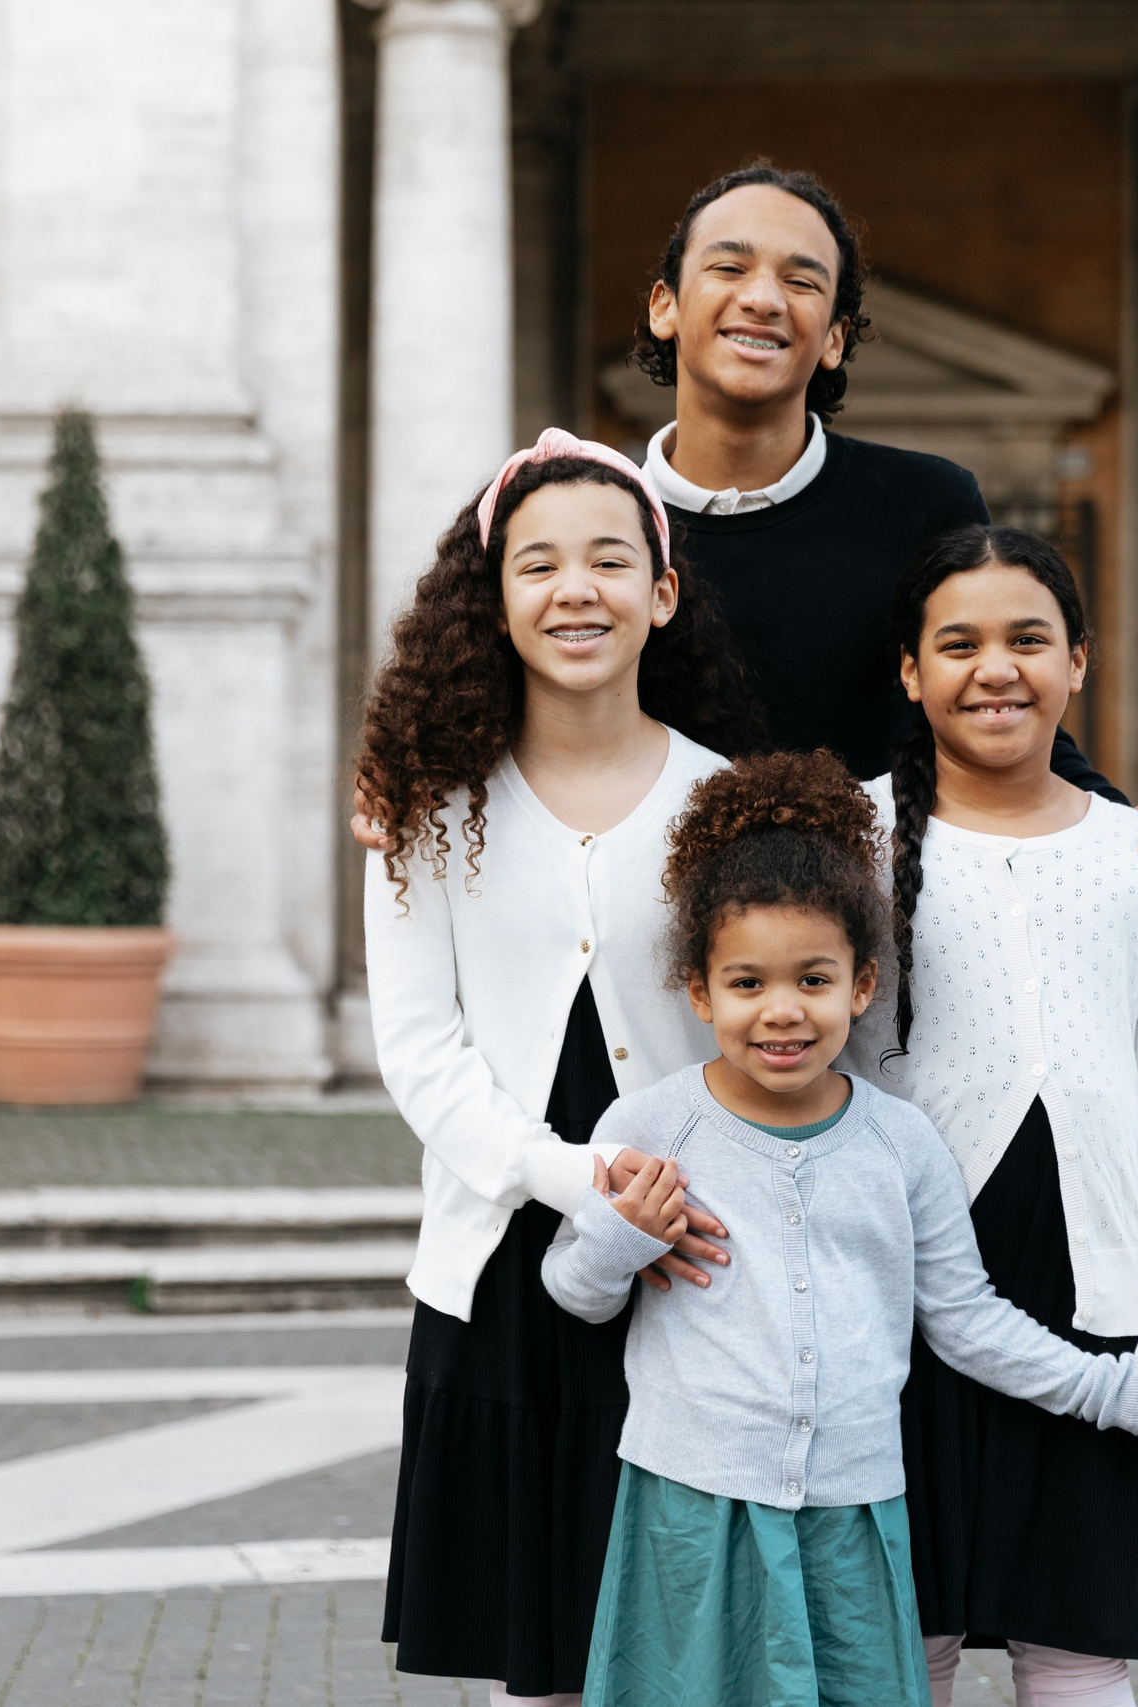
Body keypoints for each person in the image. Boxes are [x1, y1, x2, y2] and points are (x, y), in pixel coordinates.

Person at [356, 163, 1138, 919]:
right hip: (646, 930)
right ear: (665, 306)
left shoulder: (927, 499)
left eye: (804, 283)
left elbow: (988, 701)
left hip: (874, 935)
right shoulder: (592, 523)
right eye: (727, 267)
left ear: (835, 337)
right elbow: (494, 696)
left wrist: (1123, 825)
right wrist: (408, 775)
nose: (763, 297)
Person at [541, 751, 1138, 1707]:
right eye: (746, 983)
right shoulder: (650, 1126)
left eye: (814, 979)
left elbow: (966, 1317)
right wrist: (622, 1235)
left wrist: (1114, 1389)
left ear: (861, 988)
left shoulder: (901, 1141)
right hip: (689, 1508)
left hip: (855, 1516)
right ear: (698, 992)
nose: (782, 1010)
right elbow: (576, 1290)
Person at [359, 428, 763, 1704]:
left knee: (694, 1648)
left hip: (699, 1264)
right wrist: (573, 1181)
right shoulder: (429, 809)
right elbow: (421, 1052)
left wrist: (666, 1202)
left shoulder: (733, 806)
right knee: (533, 1665)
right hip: (501, 1277)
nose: (573, 590)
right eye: (537, 565)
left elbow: (769, 1036)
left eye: (607, 559)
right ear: (495, 601)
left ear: (662, 592)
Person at [850, 526, 1138, 1707]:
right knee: (895, 1642)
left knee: (1077, 1650)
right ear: (911, 673)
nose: (994, 669)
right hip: (898, 1301)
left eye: (1028, 639)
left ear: (1080, 660)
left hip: (1095, 1301)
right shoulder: (848, 840)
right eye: (956, 644)